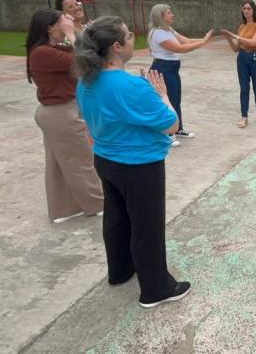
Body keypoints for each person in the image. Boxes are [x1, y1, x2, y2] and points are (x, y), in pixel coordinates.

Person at [74, 16, 191, 308]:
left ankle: (121, 269)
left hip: (105, 158)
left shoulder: (87, 80)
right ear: (116, 46)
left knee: (117, 218)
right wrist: (162, 95)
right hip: (138, 165)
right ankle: (156, 288)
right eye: (128, 36)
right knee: (147, 225)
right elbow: (171, 125)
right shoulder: (129, 85)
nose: (133, 39)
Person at [25, 8, 104, 224]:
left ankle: (65, 209)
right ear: (50, 27)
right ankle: (97, 204)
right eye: (63, 21)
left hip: (59, 111)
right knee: (81, 160)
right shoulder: (43, 53)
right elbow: (86, 62)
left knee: (61, 163)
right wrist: (72, 34)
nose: (67, 23)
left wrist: (76, 33)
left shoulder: (52, 50)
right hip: (60, 112)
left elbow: (90, 54)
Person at [147, 4, 213, 147]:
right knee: (167, 101)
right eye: (169, 13)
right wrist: (202, 43)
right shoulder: (158, 33)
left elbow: (186, 41)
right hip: (162, 69)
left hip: (171, 69)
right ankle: (167, 133)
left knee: (175, 99)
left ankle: (178, 129)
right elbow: (180, 48)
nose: (173, 15)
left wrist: (203, 40)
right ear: (161, 16)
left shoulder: (168, 30)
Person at [222, 1, 256, 128]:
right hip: (242, 57)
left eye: (249, 8)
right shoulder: (242, 27)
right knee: (244, 88)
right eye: (244, 8)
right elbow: (236, 48)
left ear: (253, 10)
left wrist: (235, 36)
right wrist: (228, 38)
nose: (246, 11)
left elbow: (254, 42)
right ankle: (244, 116)